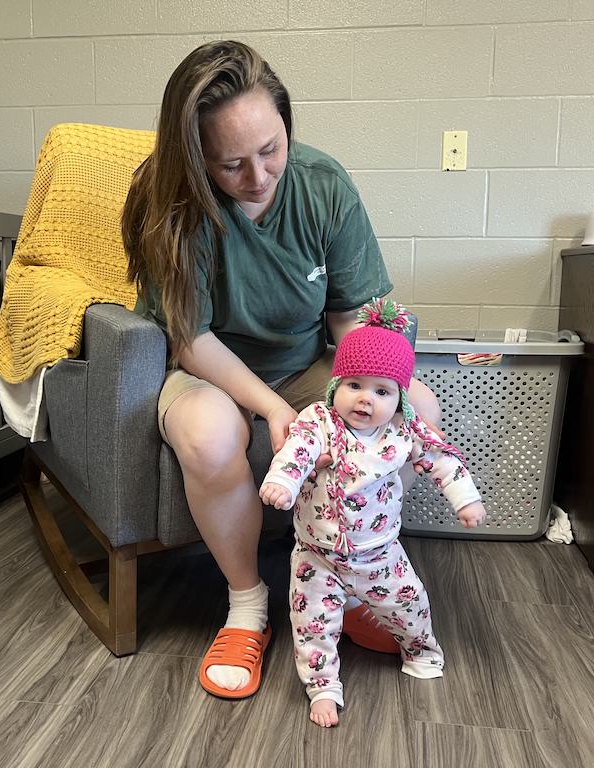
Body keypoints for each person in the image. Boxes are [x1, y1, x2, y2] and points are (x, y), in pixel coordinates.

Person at [123, 40, 444, 700]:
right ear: (196, 159)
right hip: (210, 370)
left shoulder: (324, 185)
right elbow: (192, 339)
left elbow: (353, 320)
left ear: (288, 126)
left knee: (421, 410)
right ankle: (247, 605)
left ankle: (355, 579)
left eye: (271, 150)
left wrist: (378, 385)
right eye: (231, 164)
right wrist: (270, 410)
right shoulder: (171, 206)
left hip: (308, 363)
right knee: (211, 437)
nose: (259, 175)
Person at [259, 299, 487, 727]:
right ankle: (322, 686)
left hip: (379, 553)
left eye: (381, 391)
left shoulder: (403, 429)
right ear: (335, 387)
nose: (366, 400)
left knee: (411, 605)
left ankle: (420, 651)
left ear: (398, 397)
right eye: (355, 386)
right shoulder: (318, 421)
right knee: (311, 623)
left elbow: (441, 459)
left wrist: (465, 499)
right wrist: (284, 483)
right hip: (316, 556)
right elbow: (296, 451)